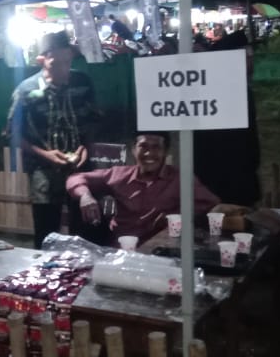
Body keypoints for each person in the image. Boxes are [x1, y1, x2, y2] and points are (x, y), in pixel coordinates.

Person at [9, 31, 99, 248]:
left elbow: (94, 120)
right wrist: (45, 154)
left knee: (85, 232)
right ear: (42, 60)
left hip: (80, 168)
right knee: (46, 233)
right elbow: (13, 134)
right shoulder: (25, 91)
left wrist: (86, 147)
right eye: (56, 64)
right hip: (43, 173)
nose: (64, 70)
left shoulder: (82, 82)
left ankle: (81, 267)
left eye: (68, 62)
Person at [66, 132, 220, 246]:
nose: (149, 153)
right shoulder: (119, 174)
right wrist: (85, 196)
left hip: (160, 250)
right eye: (143, 146)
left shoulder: (180, 179)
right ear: (133, 150)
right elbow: (75, 178)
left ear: (166, 151)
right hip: (119, 250)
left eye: (156, 147)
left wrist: (177, 214)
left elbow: (211, 204)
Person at [193, 31, 261, 208]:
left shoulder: (242, 89)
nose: (251, 60)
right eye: (246, 55)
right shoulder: (214, 93)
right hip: (223, 185)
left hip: (241, 181)